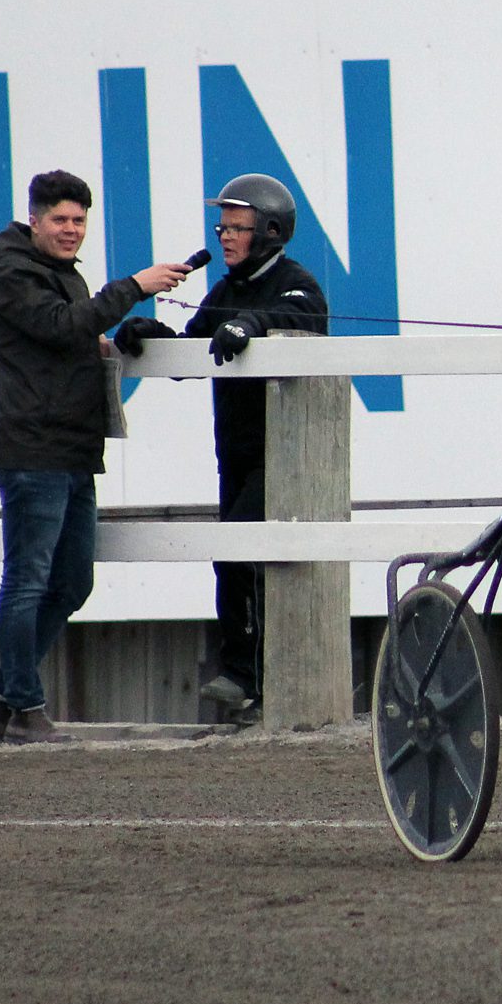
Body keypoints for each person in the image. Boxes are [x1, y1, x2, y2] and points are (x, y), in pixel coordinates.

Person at [0, 170, 190, 744]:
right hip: (32, 450)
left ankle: (1, 699)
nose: (71, 229)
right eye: (60, 219)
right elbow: (59, 325)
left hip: (72, 450)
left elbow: (67, 335)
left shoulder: (60, 273)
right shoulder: (13, 274)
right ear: (34, 220)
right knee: (27, 582)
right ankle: (25, 709)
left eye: (79, 220)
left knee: (71, 583)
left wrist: (107, 336)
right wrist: (135, 287)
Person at [113, 174, 328, 720]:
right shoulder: (226, 291)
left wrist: (251, 323)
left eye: (237, 228)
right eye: (222, 228)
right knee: (231, 557)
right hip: (235, 453)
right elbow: (194, 353)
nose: (225, 237)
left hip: (284, 457)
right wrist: (151, 337)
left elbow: (301, 315)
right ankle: (249, 683)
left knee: (242, 553)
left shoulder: (295, 282)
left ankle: (250, 677)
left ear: (271, 232)